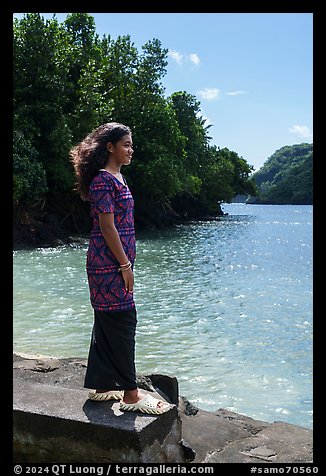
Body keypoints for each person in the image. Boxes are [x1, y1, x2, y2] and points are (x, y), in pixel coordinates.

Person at [70, 122, 170, 414]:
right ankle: (130, 394)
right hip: (109, 265)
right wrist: (125, 265)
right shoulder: (103, 180)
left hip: (115, 262)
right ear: (110, 147)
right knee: (124, 321)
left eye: (131, 145)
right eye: (125, 144)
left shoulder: (119, 177)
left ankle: (102, 386)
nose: (131, 150)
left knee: (106, 322)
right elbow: (107, 225)